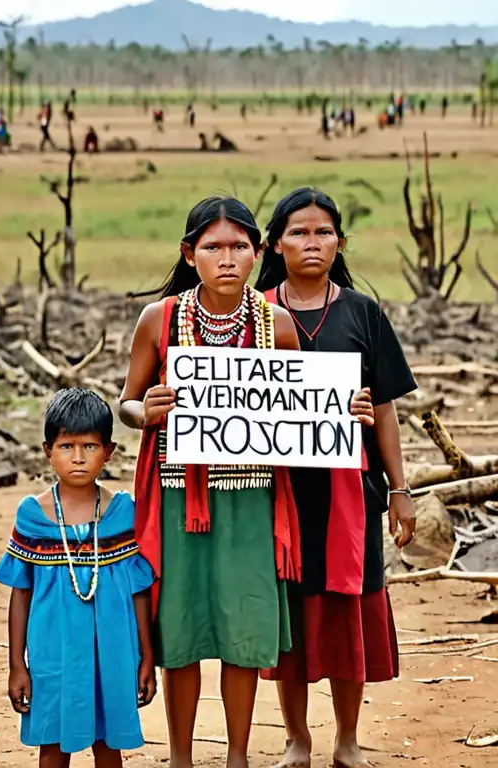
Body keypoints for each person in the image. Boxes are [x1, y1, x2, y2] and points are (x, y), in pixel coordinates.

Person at [117, 196, 374, 768]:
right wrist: (146, 410)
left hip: (253, 498)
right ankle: (181, 757)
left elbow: (301, 408)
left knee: (242, 629)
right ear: (189, 254)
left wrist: (343, 409)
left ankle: (237, 757)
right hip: (181, 498)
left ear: (258, 253)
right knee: (179, 630)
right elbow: (127, 402)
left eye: (239, 247)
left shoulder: (275, 325)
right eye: (212, 247)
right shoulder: (159, 319)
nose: (226, 258)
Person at [254, 188, 417, 768]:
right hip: (275, 495)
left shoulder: (363, 314)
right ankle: (297, 738)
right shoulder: (252, 312)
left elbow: (389, 409)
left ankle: (347, 740)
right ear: (274, 243)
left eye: (324, 232)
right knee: (290, 617)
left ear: (340, 242)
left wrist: (399, 490)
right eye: (298, 231)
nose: (312, 242)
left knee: (349, 612)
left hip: (351, 492)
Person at [0, 388, 156, 768]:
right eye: (67, 446)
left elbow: (138, 592)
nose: (79, 457)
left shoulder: (122, 514)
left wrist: (146, 657)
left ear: (110, 451)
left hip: (113, 653)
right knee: (52, 743)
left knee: (108, 744)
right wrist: (17, 664)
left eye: (90, 446)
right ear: (47, 450)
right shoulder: (32, 515)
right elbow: (20, 595)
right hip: (53, 653)